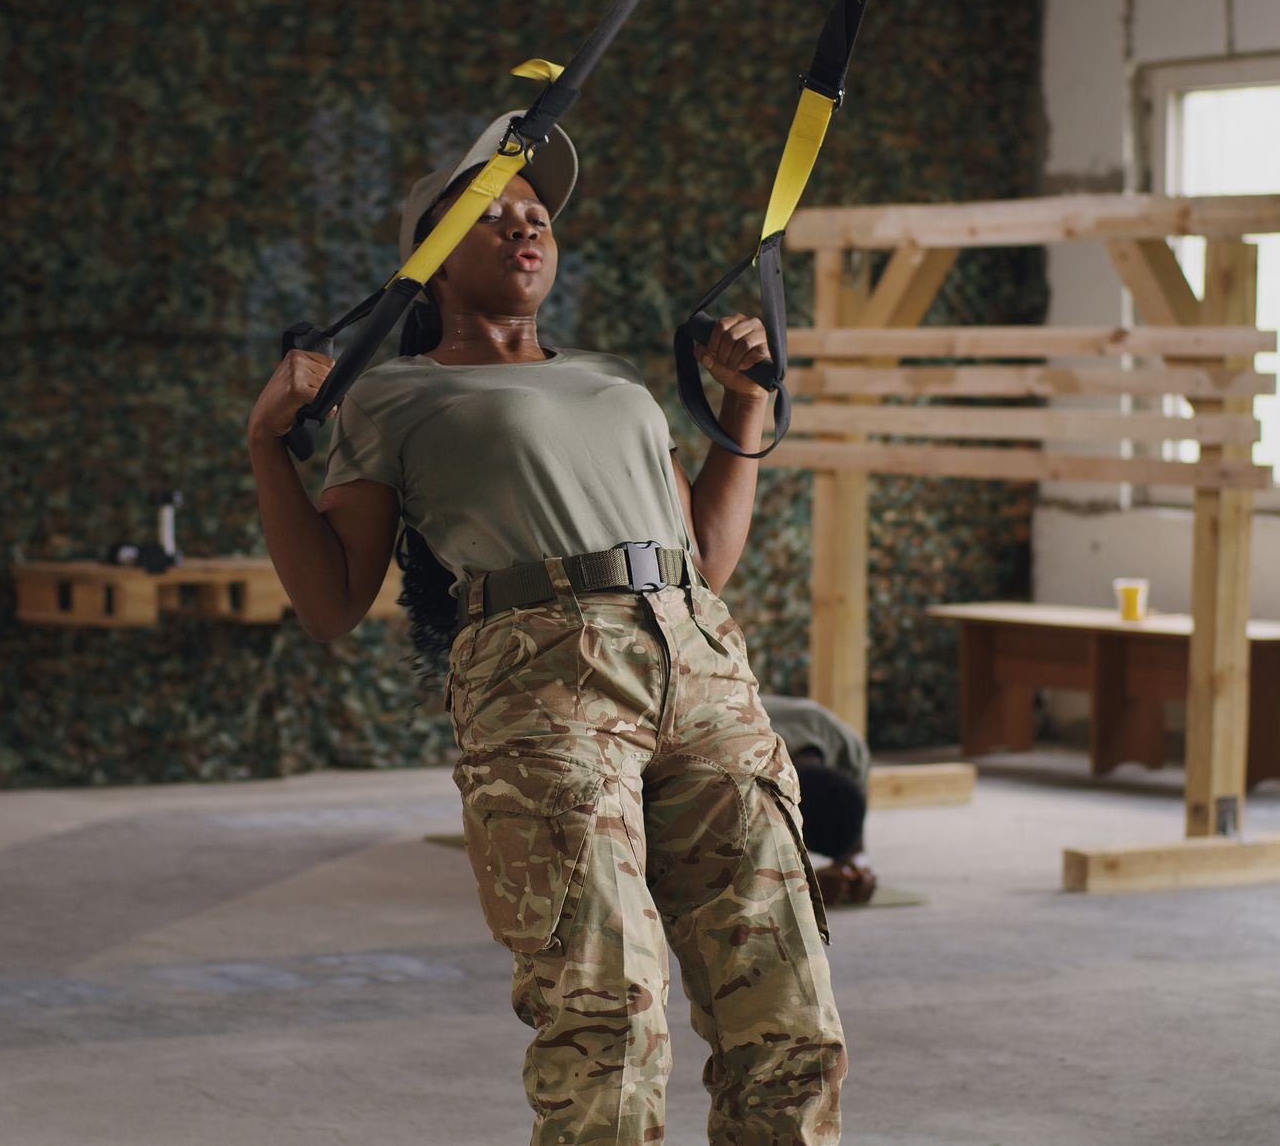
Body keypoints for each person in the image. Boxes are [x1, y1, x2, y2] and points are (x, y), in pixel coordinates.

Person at [248, 114, 845, 1144]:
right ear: (424, 263)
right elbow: (332, 602)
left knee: (786, 1014)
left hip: (698, 661)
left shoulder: (614, 377)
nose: (524, 228)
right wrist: (265, 443)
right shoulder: (389, 395)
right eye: (492, 216)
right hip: (542, 683)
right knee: (605, 1012)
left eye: (537, 218)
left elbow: (701, 554)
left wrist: (741, 405)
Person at [762, 694, 879, 906]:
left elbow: (854, 843)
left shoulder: (851, 751)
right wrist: (802, 883)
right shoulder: (739, 764)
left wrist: (855, 867)